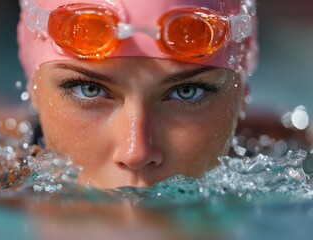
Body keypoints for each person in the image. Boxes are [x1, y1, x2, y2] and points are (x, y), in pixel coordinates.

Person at [17, 0, 258, 188]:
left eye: (187, 92)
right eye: (90, 89)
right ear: (34, 89)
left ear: (240, 95)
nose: (136, 154)